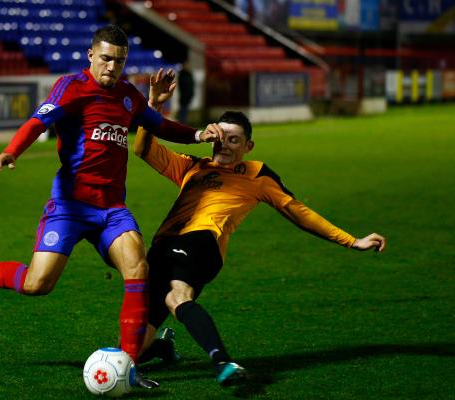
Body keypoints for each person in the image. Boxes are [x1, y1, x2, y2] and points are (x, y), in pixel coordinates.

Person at [0, 25, 219, 389]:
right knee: (38, 284)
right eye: (106, 59)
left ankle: (128, 366)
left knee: (137, 266)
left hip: (111, 209)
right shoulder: (71, 87)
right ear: (91, 56)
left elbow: (159, 125)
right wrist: (11, 151)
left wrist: (197, 135)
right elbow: (37, 122)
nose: (112, 67)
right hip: (69, 207)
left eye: (120, 61)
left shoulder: (128, 96)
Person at [133, 70, 387, 386]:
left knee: (177, 297)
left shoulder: (258, 176)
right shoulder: (191, 166)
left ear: (248, 146)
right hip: (163, 246)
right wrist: (153, 105)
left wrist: (351, 241)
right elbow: (142, 149)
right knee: (130, 350)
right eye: (220, 136)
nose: (223, 144)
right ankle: (160, 346)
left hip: (202, 242)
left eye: (234, 139)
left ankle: (224, 362)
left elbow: (298, 212)